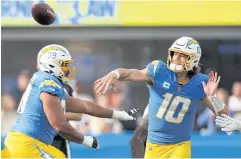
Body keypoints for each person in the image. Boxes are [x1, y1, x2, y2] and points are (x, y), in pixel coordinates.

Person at [94, 36, 230, 158]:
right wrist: (115, 74)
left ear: (193, 59)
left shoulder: (200, 83)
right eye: (174, 53)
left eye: (182, 55)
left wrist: (213, 97)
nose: (176, 58)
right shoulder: (158, 70)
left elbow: (225, 117)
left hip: (180, 145)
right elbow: (131, 73)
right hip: (154, 143)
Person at [1, 44, 138, 158]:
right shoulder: (48, 83)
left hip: (21, 143)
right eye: (64, 64)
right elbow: (59, 124)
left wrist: (115, 114)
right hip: (27, 144)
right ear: (52, 64)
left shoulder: (45, 80)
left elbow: (85, 106)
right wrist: (85, 140)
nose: (68, 69)